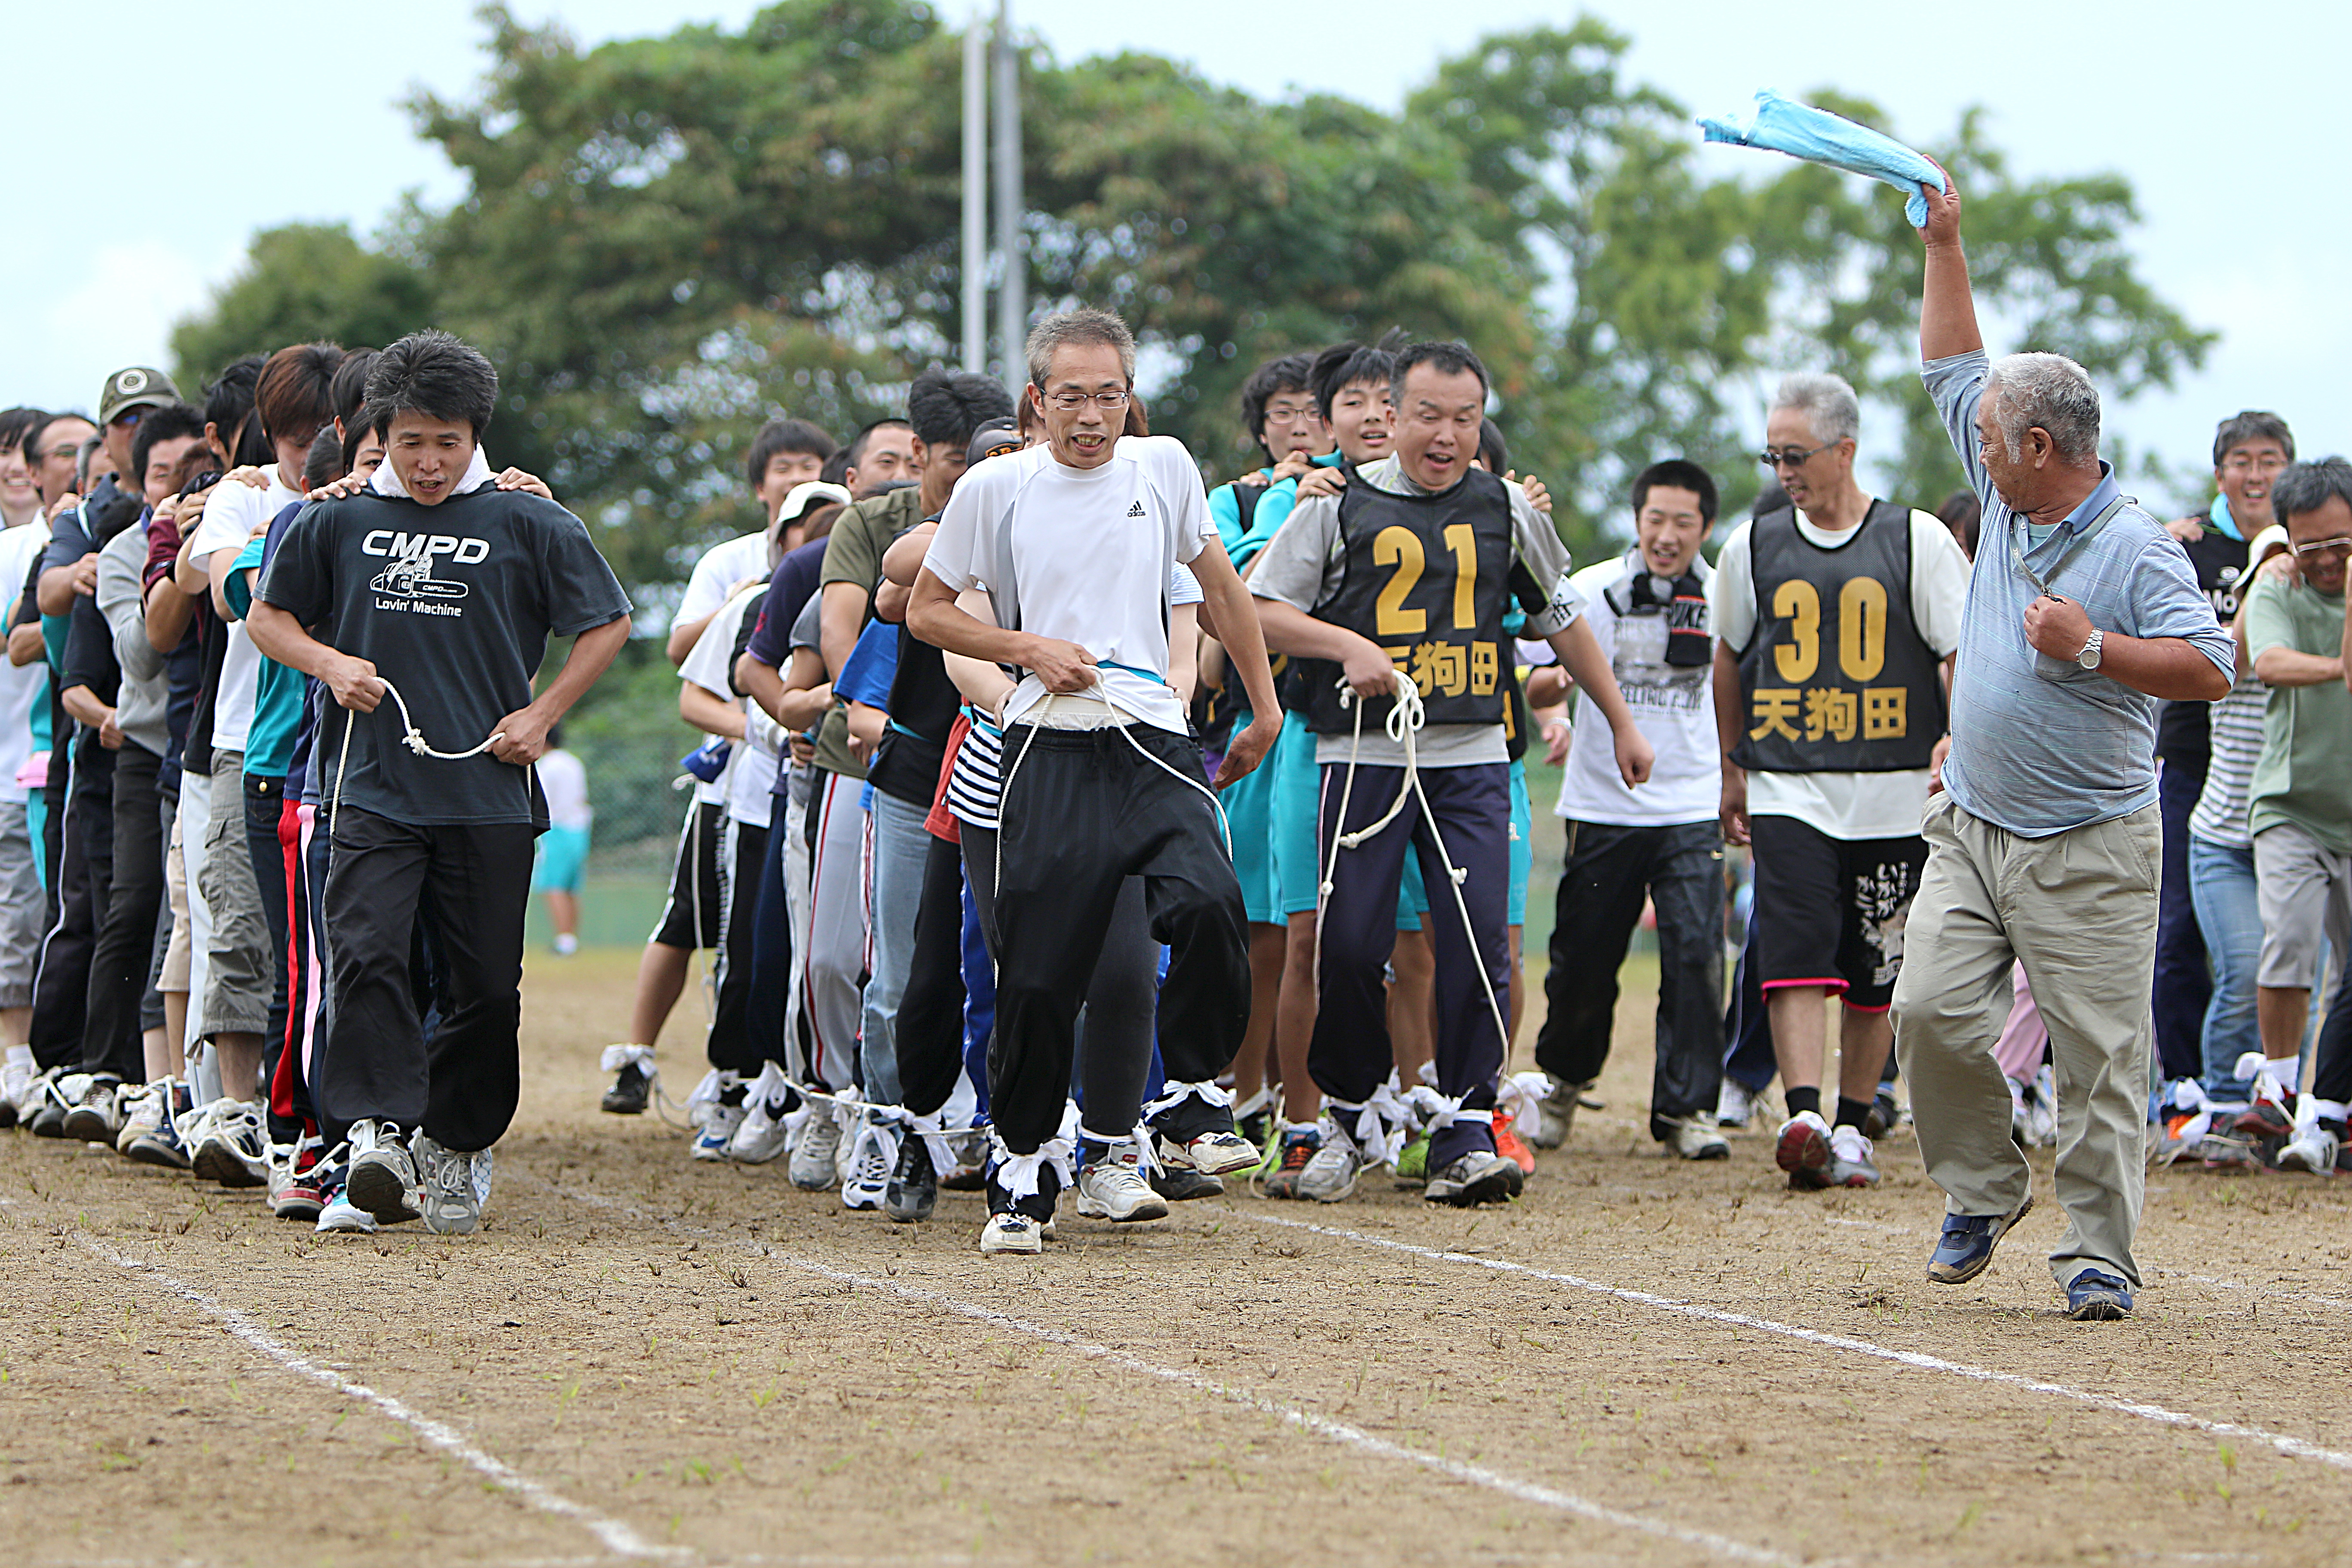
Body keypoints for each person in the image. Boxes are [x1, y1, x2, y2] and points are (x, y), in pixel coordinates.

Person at [1897, 171, 2233, 1321]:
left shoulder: (2139, 550)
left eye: (1990, 441)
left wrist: (2094, 648)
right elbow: (1952, 361)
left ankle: (2100, 1255)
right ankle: (1985, 1186)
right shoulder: (2003, 490)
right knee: (1929, 1013)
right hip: (1974, 823)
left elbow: (2215, 667)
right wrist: (1947, 241)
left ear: (2037, 445)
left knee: (2098, 1063)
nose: (1972, 450)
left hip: (2090, 843)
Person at [908, 306, 1282, 1256]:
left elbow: (1223, 590)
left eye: (1107, 395)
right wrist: (1025, 647)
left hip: (1151, 735)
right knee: (1038, 977)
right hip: (1048, 741)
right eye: (1069, 396)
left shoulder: (1166, 469)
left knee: (1209, 903)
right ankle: (1024, 1169)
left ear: (1130, 400)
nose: (1090, 415)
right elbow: (926, 612)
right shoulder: (997, 489)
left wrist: (1264, 703)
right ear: (1039, 402)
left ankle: (1193, 1101)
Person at [1250, 339, 1655, 1208]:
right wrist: (1348, 645)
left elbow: (1565, 621)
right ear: (1392, 415)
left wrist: (1617, 719)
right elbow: (1262, 610)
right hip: (1361, 752)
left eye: (1465, 420)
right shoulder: (1333, 507)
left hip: (1471, 753)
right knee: (1350, 946)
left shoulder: (1507, 508)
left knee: (1476, 945)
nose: (1446, 436)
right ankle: (1350, 1115)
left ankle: (1467, 1125)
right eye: (1429, 416)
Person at [248, 329, 632, 1234]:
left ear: (476, 437)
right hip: (369, 790)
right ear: (383, 429)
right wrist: (330, 663)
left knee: (485, 987)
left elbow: (608, 622)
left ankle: (457, 1146)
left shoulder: (532, 522)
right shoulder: (333, 520)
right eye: (412, 440)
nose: (427, 461)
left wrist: (541, 716)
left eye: (447, 443)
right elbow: (269, 618)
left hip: (488, 798)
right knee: (367, 958)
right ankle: (374, 1143)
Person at [1713, 371, 1968, 1191]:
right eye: (1773, 455)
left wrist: (1958, 740)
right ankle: (1804, 1112)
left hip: (1895, 785)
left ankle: (1855, 1123)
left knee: (1877, 964)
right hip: (1791, 783)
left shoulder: (1915, 537)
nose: (1782, 470)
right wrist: (1732, 765)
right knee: (1790, 950)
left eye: (1796, 455)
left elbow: (1952, 651)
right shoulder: (1750, 543)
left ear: (1845, 450)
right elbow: (1727, 655)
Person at [598, 421, 836, 1116]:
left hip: (805, 783)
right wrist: (760, 726)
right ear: (759, 484)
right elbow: (688, 662)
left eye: (809, 463)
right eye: (783, 465)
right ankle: (647, 1055)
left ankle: (782, 1080)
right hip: (735, 787)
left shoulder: (849, 569)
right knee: (695, 921)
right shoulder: (733, 568)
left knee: (787, 939)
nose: (795, 475)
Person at [1532, 458, 1728, 1159]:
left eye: (1682, 522)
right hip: (1604, 803)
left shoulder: (1728, 594)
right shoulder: (1591, 590)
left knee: (1697, 954)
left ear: (1704, 526)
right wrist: (1553, 708)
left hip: (1692, 800)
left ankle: (1688, 1109)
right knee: (1582, 959)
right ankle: (1562, 1081)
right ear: (1636, 519)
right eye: (1655, 519)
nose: (1666, 535)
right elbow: (1538, 678)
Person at [2147, 413, 2286, 1087]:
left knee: (2272, 940)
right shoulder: (2187, 547)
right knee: (2178, 928)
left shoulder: (2312, 555)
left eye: (2269, 461)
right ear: (2219, 474)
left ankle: (2265, 1080)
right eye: (2241, 461)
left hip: (2282, 759)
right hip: (2191, 755)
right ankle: (2184, 1085)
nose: (2255, 475)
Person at [2232, 459, 2351, 1170]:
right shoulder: (2278, 582)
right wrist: (2339, 666)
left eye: (2342, 543)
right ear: (2288, 540)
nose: (2329, 559)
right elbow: (2268, 660)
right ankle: (2276, 1089)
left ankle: (2331, 1106)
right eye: (2312, 547)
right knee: (2291, 938)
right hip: (2289, 805)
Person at [533, 726, 590, 953]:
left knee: (554, 886)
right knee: (571, 887)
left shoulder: (547, 766)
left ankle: (564, 941)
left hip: (557, 829)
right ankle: (571, 939)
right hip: (580, 829)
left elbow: (541, 800)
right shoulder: (573, 762)